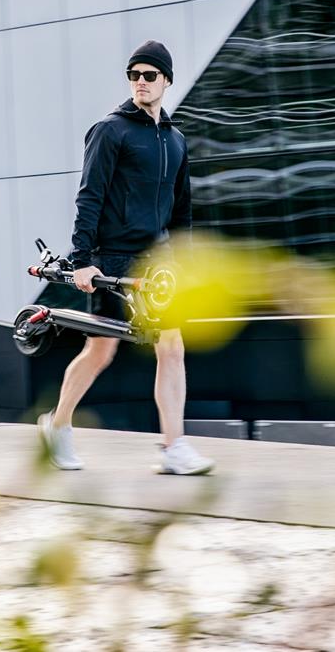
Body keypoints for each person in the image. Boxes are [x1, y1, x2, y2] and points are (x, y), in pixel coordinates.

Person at [37, 40, 215, 476]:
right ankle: (57, 426)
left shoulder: (175, 140)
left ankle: (174, 447)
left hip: (158, 263)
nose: (140, 82)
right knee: (101, 349)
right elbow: (89, 197)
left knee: (171, 345)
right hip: (112, 259)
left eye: (149, 75)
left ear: (166, 80)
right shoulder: (110, 130)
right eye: (133, 75)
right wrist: (82, 260)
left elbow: (182, 210)